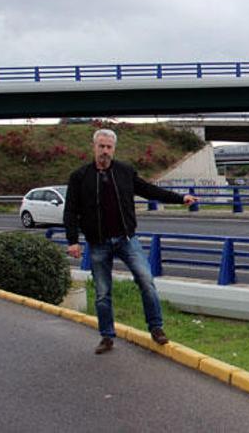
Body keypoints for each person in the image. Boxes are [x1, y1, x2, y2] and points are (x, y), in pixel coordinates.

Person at [64, 129, 198, 355]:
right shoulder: (79, 177)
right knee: (102, 292)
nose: (105, 151)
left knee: (146, 280)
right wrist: (73, 241)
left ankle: (156, 327)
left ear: (113, 149)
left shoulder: (124, 172)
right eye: (101, 146)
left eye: (108, 147)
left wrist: (179, 198)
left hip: (126, 239)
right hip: (98, 243)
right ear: (93, 147)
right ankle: (107, 336)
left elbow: (148, 190)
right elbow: (70, 211)